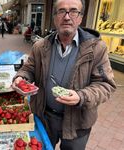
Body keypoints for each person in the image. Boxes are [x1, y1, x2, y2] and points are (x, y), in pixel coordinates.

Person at [12, 0, 116, 149]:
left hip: (78, 123)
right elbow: (29, 68)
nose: (67, 17)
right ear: (55, 17)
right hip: (45, 117)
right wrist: (21, 78)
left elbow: (106, 85)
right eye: (61, 11)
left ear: (80, 17)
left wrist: (82, 96)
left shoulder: (97, 48)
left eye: (73, 11)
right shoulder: (40, 46)